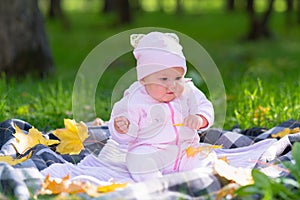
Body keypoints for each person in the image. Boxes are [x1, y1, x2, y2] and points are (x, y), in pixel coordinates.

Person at [108, 31, 216, 181]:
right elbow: (124, 123)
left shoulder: (188, 91)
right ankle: (155, 182)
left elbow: (204, 105)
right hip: (150, 150)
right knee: (137, 160)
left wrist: (200, 118)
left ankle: (198, 178)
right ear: (144, 80)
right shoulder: (135, 98)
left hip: (184, 150)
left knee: (207, 156)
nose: (172, 85)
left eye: (178, 77)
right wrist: (122, 127)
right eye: (164, 79)